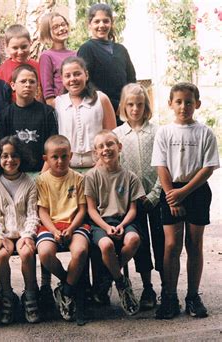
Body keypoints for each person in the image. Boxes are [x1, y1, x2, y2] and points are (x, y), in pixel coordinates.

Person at [151, 82, 219, 319]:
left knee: (194, 244)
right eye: (178, 101)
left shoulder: (204, 133)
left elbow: (208, 168)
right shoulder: (164, 132)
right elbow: (161, 166)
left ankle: (193, 296)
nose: (183, 106)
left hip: (196, 191)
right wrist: (173, 196)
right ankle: (169, 296)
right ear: (170, 104)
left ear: (197, 104)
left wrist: (185, 193)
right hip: (172, 191)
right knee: (172, 246)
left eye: (189, 102)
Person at [113, 83, 164, 310]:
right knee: (140, 245)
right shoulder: (117, 135)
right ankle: (147, 287)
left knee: (161, 242)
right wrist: (130, 197)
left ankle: (167, 287)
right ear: (123, 106)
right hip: (132, 202)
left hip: (156, 197)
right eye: (130, 104)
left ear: (146, 106)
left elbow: (165, 166)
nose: (135, 109)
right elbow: (116, 170)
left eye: (140, 104)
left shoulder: (157, 132)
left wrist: (154, 194)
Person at [85, 130, 145, 316]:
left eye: (110, 144)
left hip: (124, 220)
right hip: (100, 222)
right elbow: (91, 210)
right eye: (101, 146)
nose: (106, 149)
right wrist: (106, 227)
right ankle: (121, 282)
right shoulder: (92, 176)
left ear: (119, 147)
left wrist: (121, 225)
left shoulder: (130, 177)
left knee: (134, 239)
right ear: (95, 152)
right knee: (106, 244)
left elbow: (133, 209)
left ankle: (107, 277)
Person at [35, 135, 90, 324]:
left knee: (81, 250)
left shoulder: (78, 179)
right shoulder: (42, 180)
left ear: (71, 156)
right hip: (50, 225)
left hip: (75, 224)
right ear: (46, 159)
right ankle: (69, 282)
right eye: (54, 157)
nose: (60, 161)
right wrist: (53, 230)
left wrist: (72, 228)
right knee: (45, 253)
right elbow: (42, 211)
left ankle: (66, 291)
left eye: (64, 156)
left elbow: (83, 209)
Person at [0, 136, 40, 324]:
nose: (10, 160)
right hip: (5, 235)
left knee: (27, 252)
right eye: (5, 156)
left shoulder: (29, 182)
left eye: (14, 155)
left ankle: (30, 294)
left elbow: (33, 214)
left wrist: (28, 235)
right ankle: (7, 295)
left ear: (21, 157)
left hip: (23, 232)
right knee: (1, 254)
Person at [77, 3, 136, 124]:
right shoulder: (87, 49)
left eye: (105, 21)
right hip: (101, 110)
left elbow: (131, 80)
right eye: (97, 21)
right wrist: (113, 105)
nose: (101, 25)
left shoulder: (121, 49)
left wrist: (128, 103)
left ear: (111, 23)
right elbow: (87, 83)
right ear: (89, 24)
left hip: (125, 111)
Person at [0, 64, 57, 171]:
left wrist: (43, 175)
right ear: (13, 85)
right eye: (23, 81)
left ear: (37, 85)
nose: (28, 85)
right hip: (12, 173)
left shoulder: (48, 113)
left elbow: (53, 147)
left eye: (32, 82)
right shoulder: (4, 115)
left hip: (42, 173)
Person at [55, 56, 116, 169]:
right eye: (67, 76)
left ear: (86, 75)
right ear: (62, 79)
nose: (73, 79)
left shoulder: (101, 99)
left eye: (77, 74)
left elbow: (112, 136)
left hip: (100, 166)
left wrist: (98, 167)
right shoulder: (58, 103)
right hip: (68, 169)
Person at [0, 24, 43, 116]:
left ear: (30, 43)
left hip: (38, 117)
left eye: (24, 47)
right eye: (15, 48)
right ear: (7, 47)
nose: (20, 52)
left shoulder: (38, 66)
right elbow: (0, 103)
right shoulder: (3, 71)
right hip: (15, 120)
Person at [38, 12, 76, 108]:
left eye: (63, 24)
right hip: (61, 109)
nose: (62, 29)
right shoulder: (47, 56)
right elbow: (48, 94)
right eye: (56, 27)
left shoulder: (76, 54)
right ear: (47, 32)